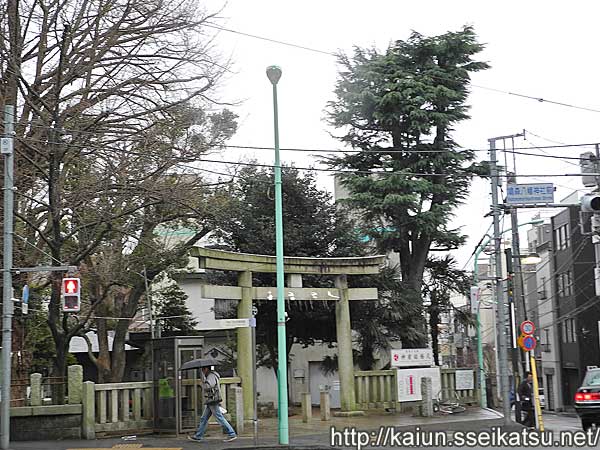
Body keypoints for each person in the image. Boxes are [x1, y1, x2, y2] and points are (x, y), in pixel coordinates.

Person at [189, 366, 237, 443]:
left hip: (212, 399)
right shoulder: (212, 375)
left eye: (203, 369)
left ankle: (231, 433)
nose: (202, 371)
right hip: (211, 400)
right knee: (204, 418)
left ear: (206, 369)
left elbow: (209, 386)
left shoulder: (211, 376)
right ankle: (198, 436)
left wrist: (202, 384)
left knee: (219, 417)